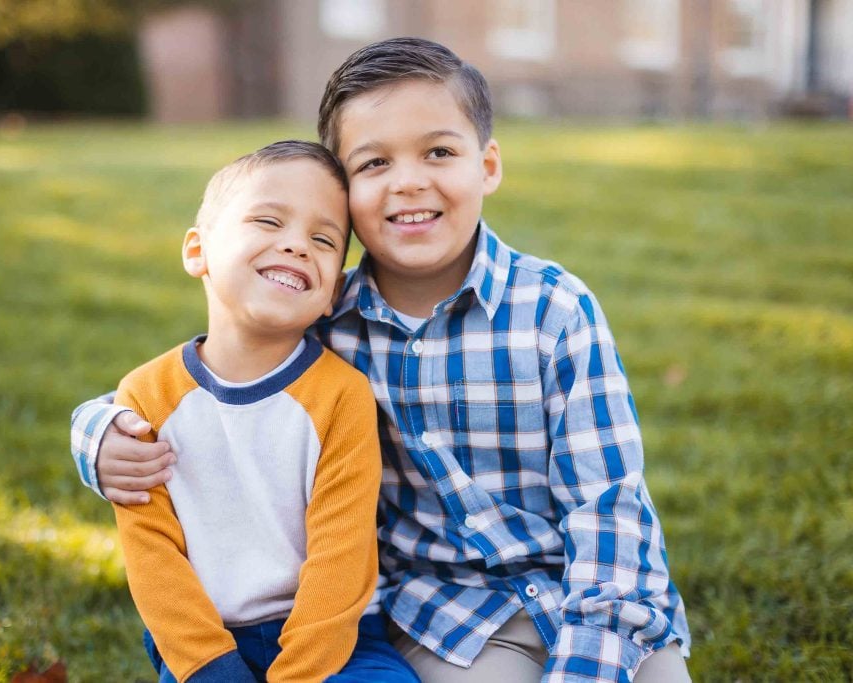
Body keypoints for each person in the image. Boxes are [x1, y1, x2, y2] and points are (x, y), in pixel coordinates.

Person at [73, 39, 692, 682]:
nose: (409, 181)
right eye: (373, 163)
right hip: (451, 618)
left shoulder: (556, 311)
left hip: (595, 596)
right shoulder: (320, 317)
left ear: (487, 165)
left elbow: (610, 508)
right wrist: (97, 436)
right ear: (344, 195)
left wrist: (590, 662)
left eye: (440, 152)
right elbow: (208, 379)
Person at [104, 140, 420, 683]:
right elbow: (152, 559)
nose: (297, 245)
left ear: (332, 295)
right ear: (197, 250)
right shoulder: (145, 397)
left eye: (324, 240)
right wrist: (211, 668)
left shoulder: (342, 396)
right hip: (201, 646)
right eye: (268, 221)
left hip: (331, 643)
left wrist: (298, 674)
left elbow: (341, 557)